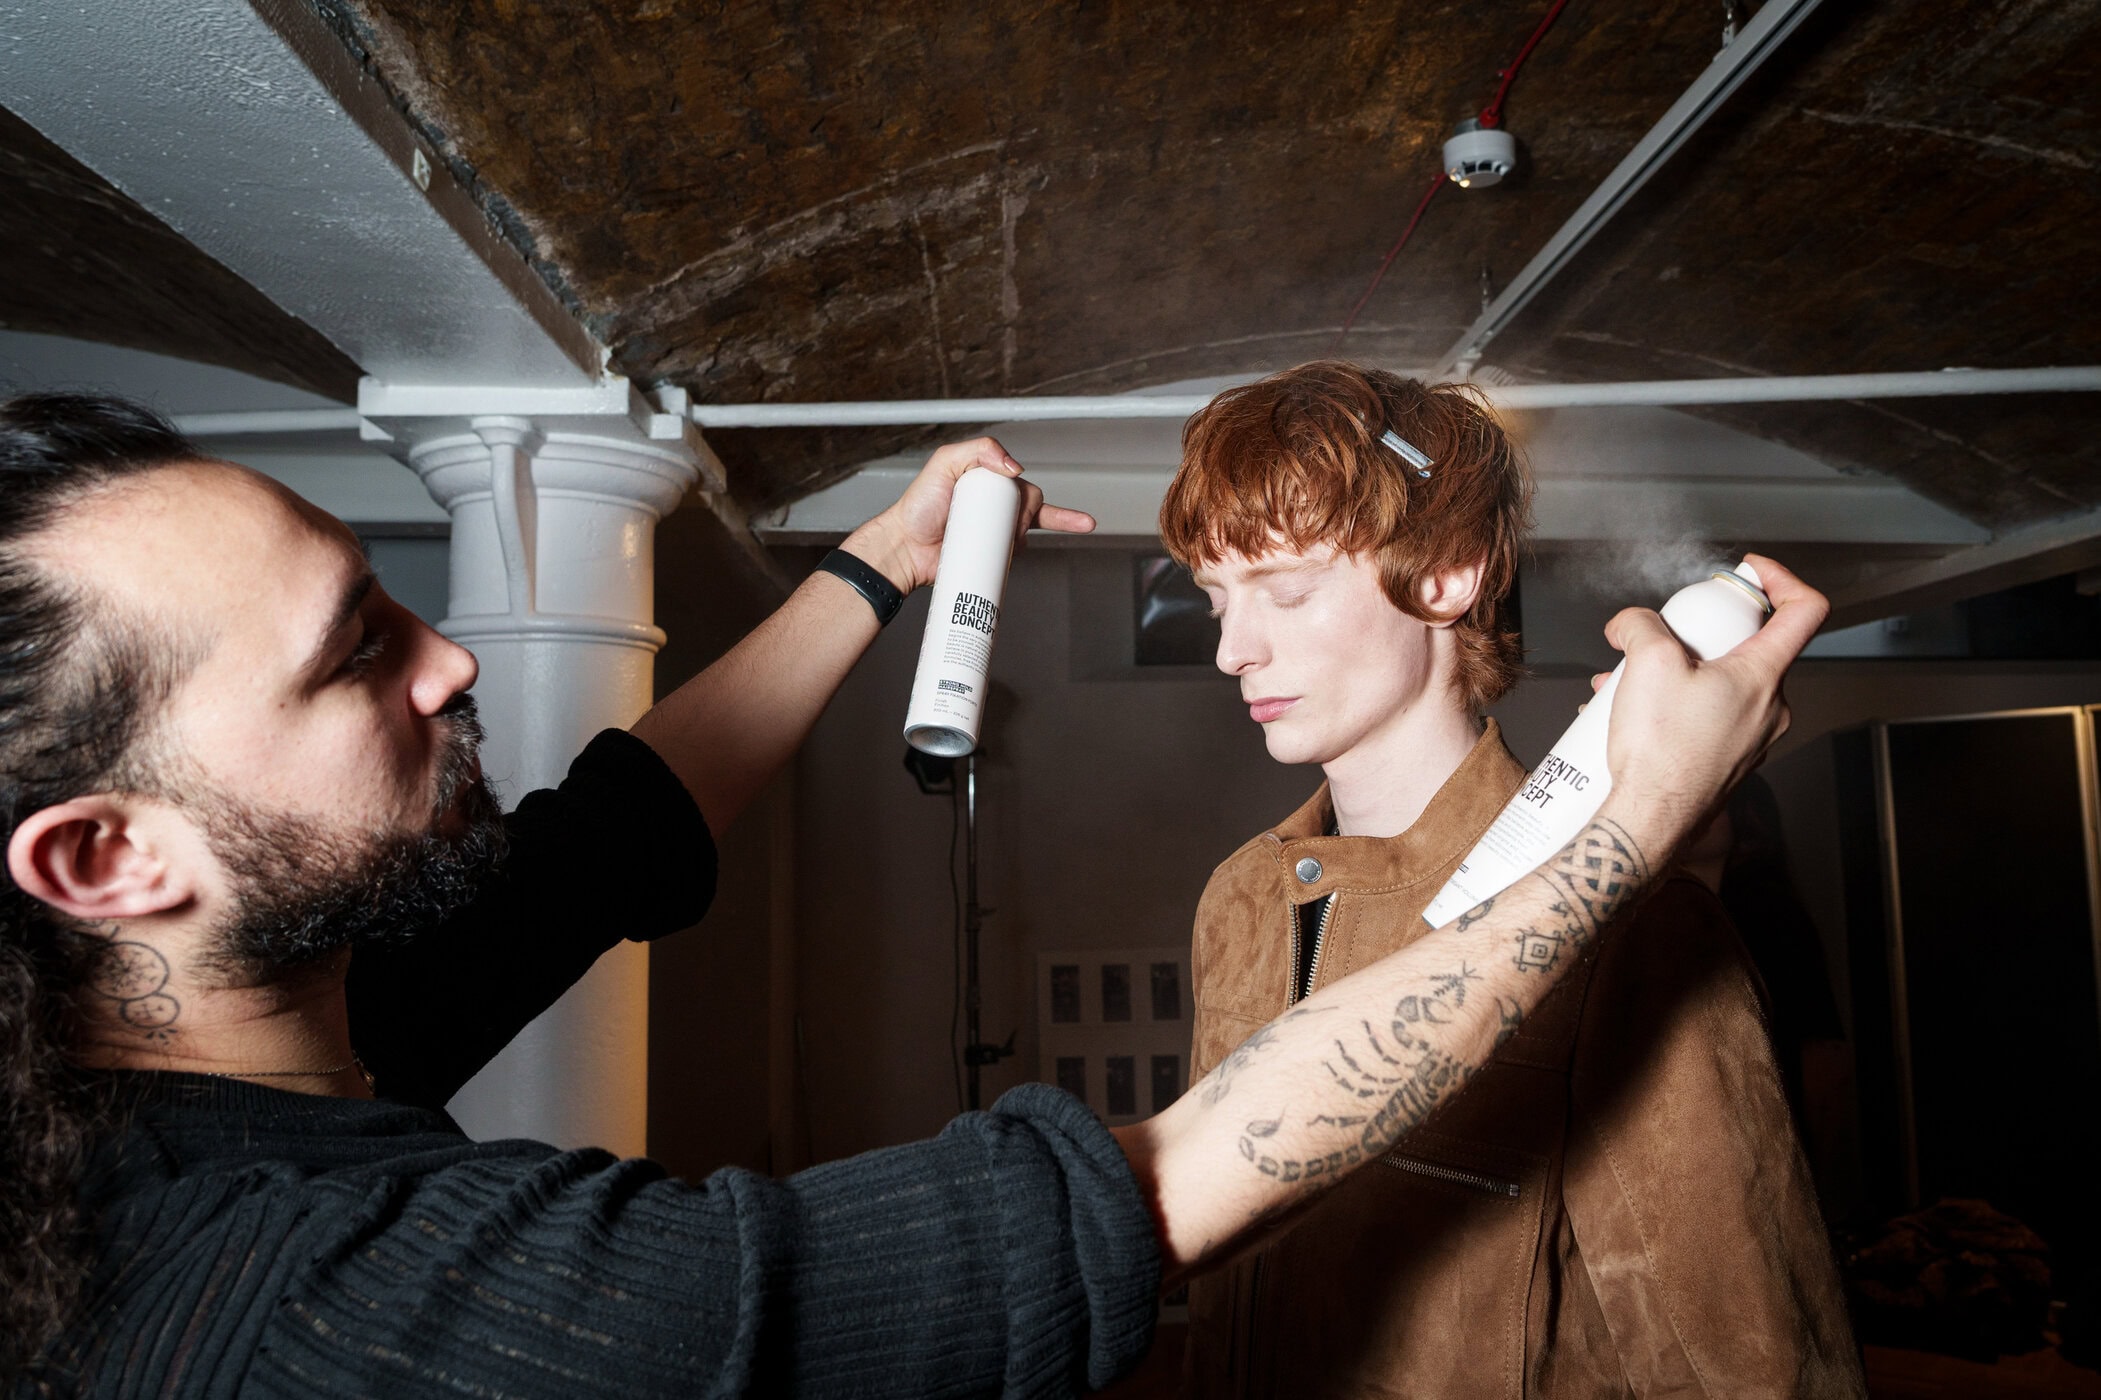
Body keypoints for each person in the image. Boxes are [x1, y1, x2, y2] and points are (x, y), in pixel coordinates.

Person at [0, 390, 1820, 1398]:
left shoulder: (272, 1021)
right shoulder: (322, 1309)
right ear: (108, 860)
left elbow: (604, 845)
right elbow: (1120, 1209)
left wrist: (880, 560)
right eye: (355, 656)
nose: (458, 660)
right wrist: (1617, 826)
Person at [1159, 361, 1864, 1398]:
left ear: (1446, 575)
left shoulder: (1638, 927)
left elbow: (1747, 1360)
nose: (1231, 647)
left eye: (1289, 590)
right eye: (1216, 596)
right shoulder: (1241, 898)